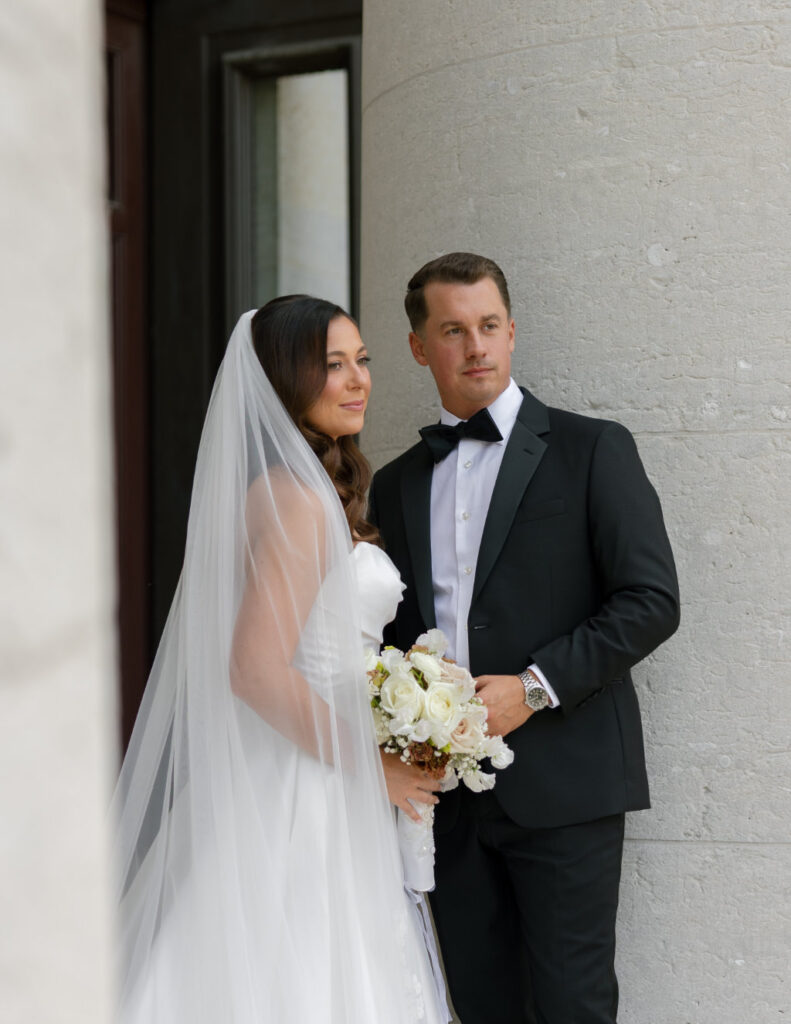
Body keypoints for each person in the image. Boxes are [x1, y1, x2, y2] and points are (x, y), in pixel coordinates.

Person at [112, 296, 448, 1023]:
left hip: (311, 768)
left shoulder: (306, 489)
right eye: (332, 365)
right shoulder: (295, 500)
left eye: (361, 359)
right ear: (285, 380)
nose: (357, 379)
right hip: (307, 790)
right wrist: (373, 766)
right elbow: (256, 669)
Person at [369, 253, 681, 1024]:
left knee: (574, 1005)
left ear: (511, 332)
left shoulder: (591, 449)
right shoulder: (397, 482)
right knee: (477, 1004)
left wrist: (534, 688)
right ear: (419, 347)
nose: (475, 346)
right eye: (452, 330)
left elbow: (650, 600)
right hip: (445, 799)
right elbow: (397, 637)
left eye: (488, 326)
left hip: (566, 782)